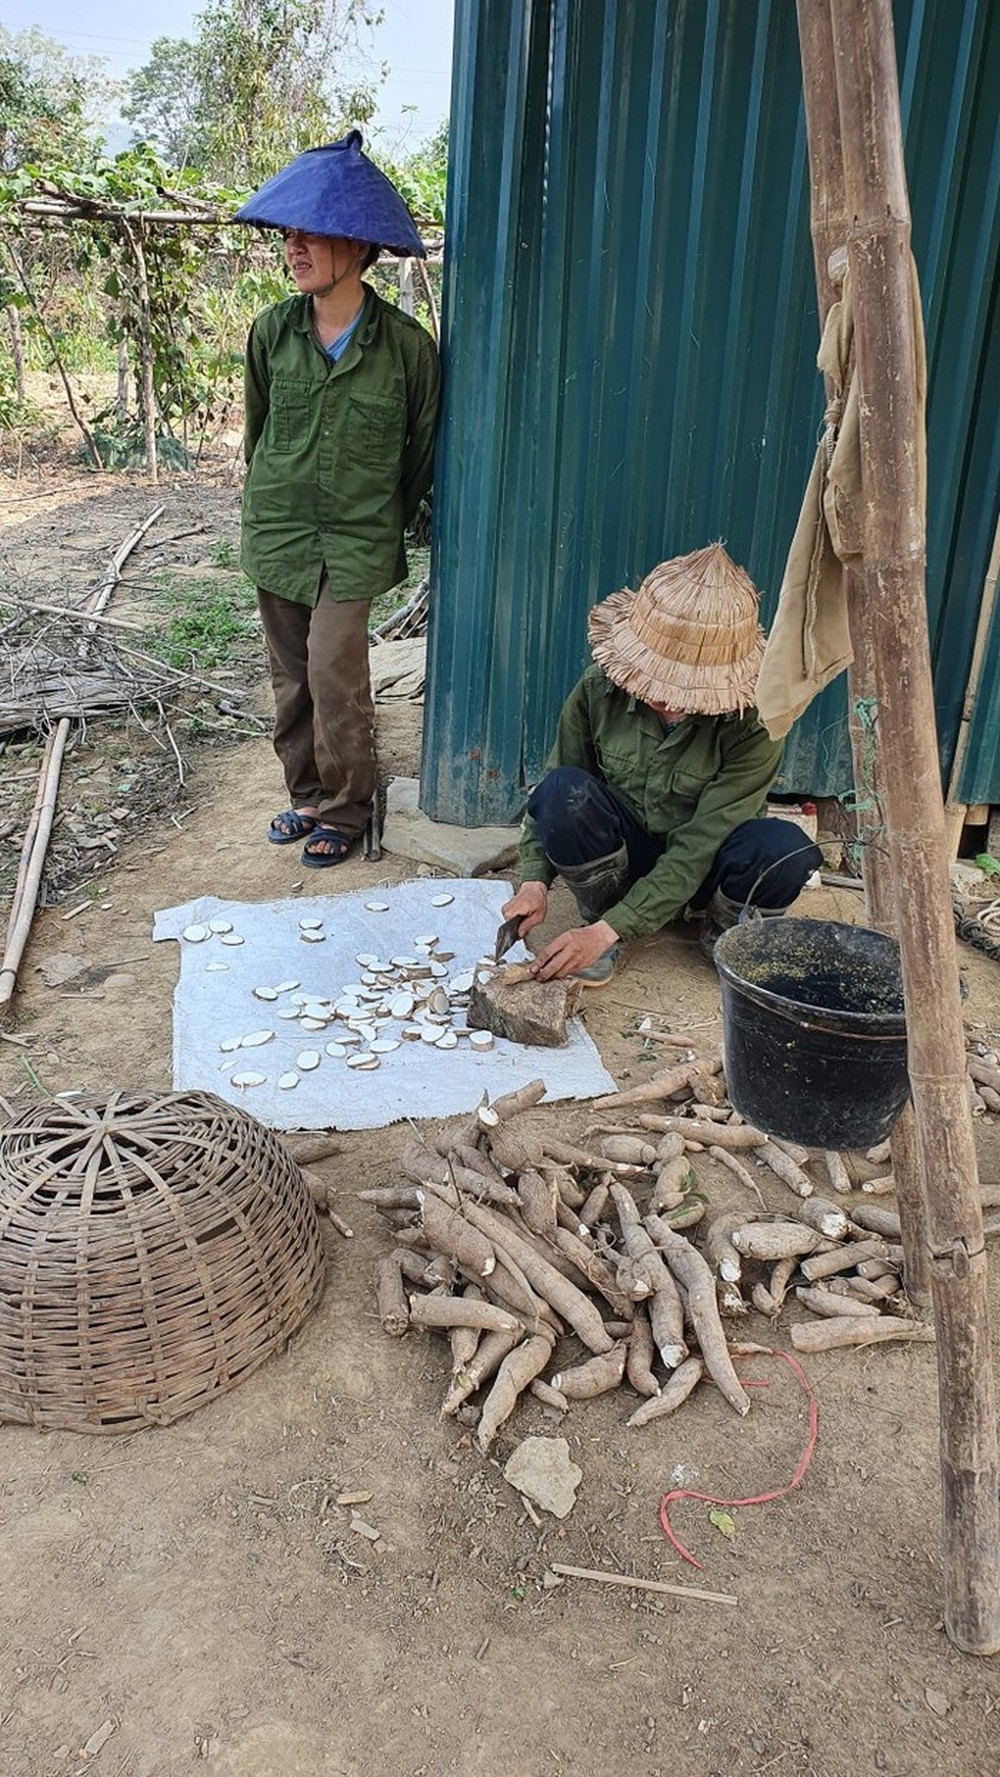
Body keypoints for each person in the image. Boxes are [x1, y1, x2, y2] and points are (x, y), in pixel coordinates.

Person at [235, 132, 440, 866]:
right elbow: (259, 435)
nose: (293, 246)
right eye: (287, 234)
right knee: (290, 678)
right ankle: (306, 797)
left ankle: (350, 805)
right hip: (280, 532)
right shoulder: (271, 334)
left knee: (333, 671)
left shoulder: (407, 349)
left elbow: (417, 455)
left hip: (354, 540)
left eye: (309, 234)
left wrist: (380, 515)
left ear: (356, 247)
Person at [501, 542, 823, 984]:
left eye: (682, 687)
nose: (664, 696)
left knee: (786, 849)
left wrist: (608, 932)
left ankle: (721, 933)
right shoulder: (600, 689)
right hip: (624, 853)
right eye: (655, 677)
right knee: (562, 791)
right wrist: (534, 881)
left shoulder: (756, 722)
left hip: (704, 863)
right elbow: (552, 790)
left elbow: (699, 847)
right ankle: (603, 912)